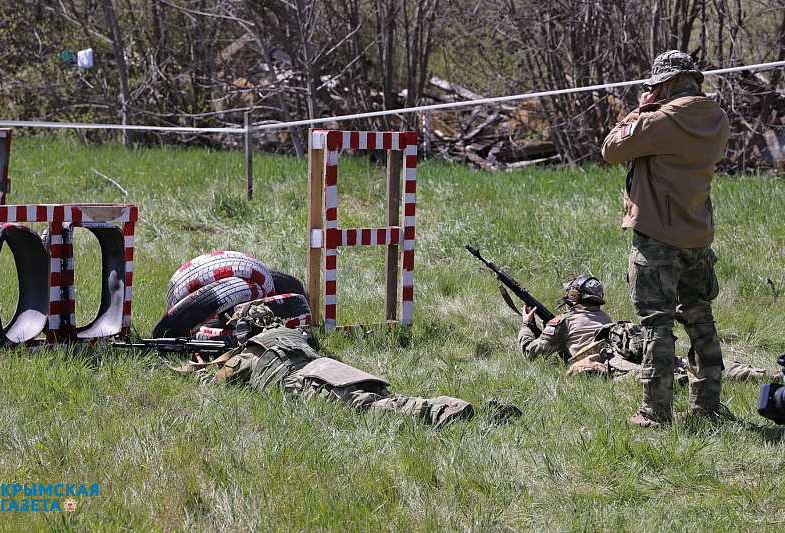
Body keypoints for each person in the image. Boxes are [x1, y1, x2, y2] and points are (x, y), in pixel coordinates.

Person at [601, 50, 730, 427]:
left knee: (657, 324)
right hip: (698, 234)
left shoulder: (657, 120)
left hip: (657, 237)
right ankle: (707, 406)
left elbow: (611, 150)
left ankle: (655, 411)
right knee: (701, 320)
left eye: (657, 85)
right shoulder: (718, 118)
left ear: (666, 84)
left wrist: (640, 110)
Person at [180, 301, 521, 428]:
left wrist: (198, 372)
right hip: (330, 368)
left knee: (374, 409)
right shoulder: (292, 334)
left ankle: (453, 412)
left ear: (245, 331)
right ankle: (470, 414)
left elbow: (218, 385)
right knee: (386, 399)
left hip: (307, 384)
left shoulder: (248, 352)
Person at [520, 274, 780, 382]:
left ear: (574, 297)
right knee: (697, 365)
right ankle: (764, 374)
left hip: (612, 360)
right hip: (635, 348)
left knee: (659, 378)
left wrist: (527, 325)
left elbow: (531, 353)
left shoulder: (563, 322)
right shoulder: (604, 316)